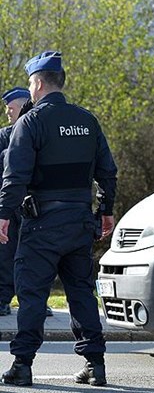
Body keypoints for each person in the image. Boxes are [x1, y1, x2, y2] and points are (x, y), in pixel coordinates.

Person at [0, 51, 117, 387]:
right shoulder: (87, 120)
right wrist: (105, 211)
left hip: (42, 225)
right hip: (80, 223)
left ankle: (22, 364)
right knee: (81, 292)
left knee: (32, 293)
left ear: (37, 83)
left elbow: (15, 175)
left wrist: (4, 214)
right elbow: (107, 171)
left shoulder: (30, 122)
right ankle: (95, 365)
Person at [0, 88, 54, 319]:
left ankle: (36, 302)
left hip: (36, 205)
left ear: (23, 106)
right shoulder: (3, 136)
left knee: (37, 256)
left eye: (11, 108)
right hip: (9, 204)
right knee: (5, 254)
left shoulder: (40, 131)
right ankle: (3, 299)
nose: (7, 113)